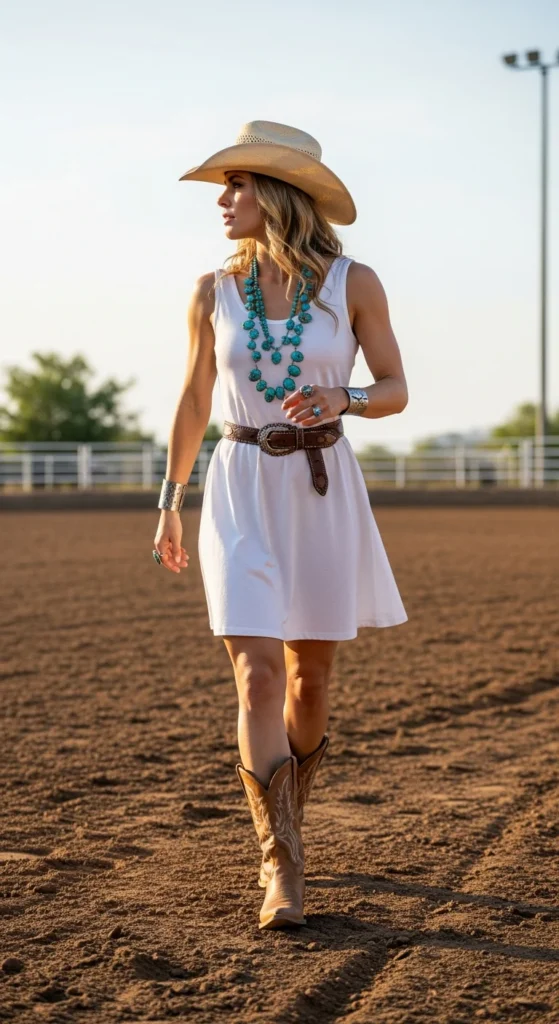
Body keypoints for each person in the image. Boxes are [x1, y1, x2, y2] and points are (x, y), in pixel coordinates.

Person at [153, 121, 408, 931]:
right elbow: (195, 400)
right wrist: (169, 499)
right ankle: (282, 862)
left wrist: (348, 398)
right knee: (256, 674)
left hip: (321, 485)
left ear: (281, 196)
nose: (223, 202)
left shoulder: (353, 282)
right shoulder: (210, 291)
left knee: (309, 680)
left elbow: (395, 385)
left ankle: (287, 815)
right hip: (237, 486)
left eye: (237, 186)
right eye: (223, 187)